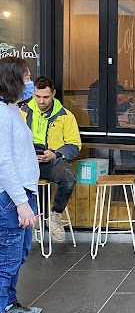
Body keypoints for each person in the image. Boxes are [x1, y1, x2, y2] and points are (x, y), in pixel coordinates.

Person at [0, 58, 41, 313]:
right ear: (12, 80)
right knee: (6, 261)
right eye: (26, 78)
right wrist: (21, 203)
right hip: (11, 198)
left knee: (18, 255)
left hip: (23, 194)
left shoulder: (13, 109)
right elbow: (4, 163)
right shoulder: (2, 114)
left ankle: (9, 305)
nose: (30, 83)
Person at [22, 75, 81, 242]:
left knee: (68, 178)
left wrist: (55, 154)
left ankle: (55, 215)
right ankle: (31, 214)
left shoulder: (66, 116)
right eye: (37, 96)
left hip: (53, 160)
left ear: (53, 93)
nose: (41, 101)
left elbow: (74, 145)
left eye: (46, 97)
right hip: (27, 160)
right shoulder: (22, 112)